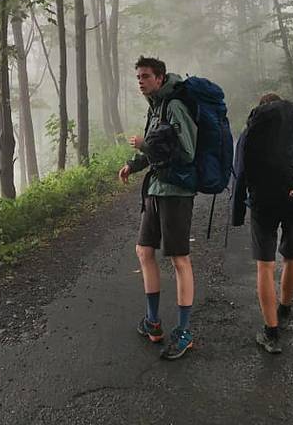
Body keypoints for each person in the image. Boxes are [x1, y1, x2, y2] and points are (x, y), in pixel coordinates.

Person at [118, 56, 198, 360]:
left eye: (146, 76)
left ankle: (184, 331)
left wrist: (143, 146)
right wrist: (134, 163)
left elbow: (187, 152)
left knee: (179, 259)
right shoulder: (156, 108)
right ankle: (153, 321)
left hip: (176, 191)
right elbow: (157, 150)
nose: (141, 81)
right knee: (144, 251)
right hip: (155, 189)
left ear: (161, 78)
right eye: (138, 77)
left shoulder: (174, 106)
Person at [230, 93, 293, 354]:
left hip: (263, 205)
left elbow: (240, 172)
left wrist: (238, 210)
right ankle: (285, 307)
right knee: (292, 257)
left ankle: (271, 333)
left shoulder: (252, 131)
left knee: (265, 265)